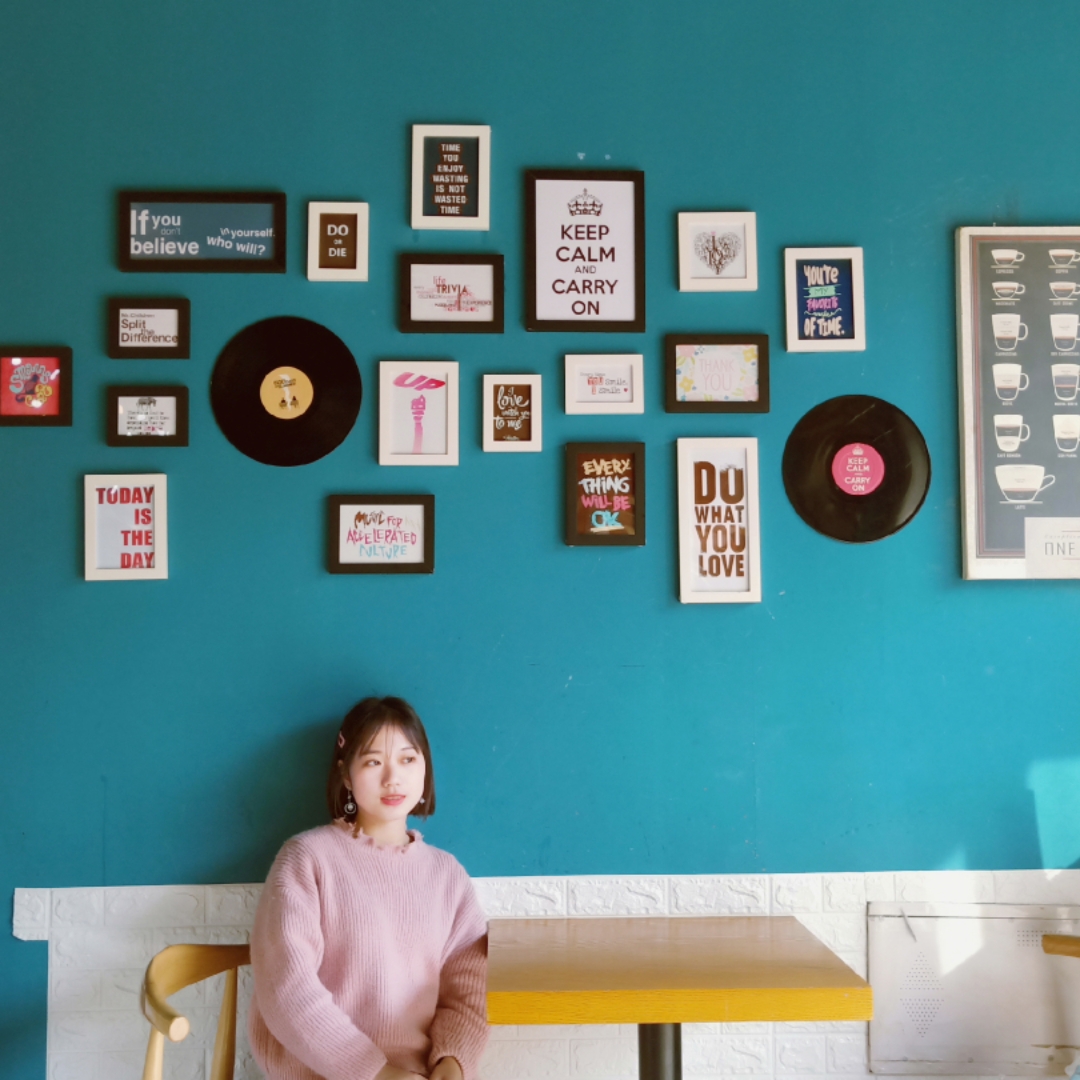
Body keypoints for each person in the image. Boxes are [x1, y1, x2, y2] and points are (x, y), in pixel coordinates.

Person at [249, 696, 489, 1080]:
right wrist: (375, 1073)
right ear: (346, 775)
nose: (393, 778)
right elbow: (286, 987)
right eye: (374, 762)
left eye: (408, 760)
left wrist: (454, 1060)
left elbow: (470, 991)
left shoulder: (448, 876)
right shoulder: (307, 859)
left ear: (425, 768)